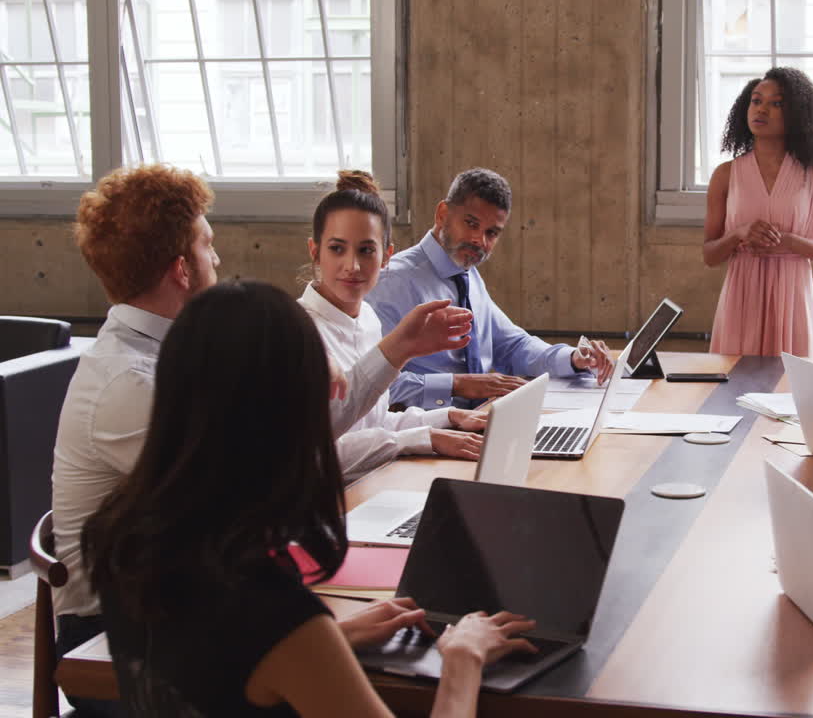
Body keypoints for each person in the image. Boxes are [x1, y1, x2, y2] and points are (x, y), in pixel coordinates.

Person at [51, 165, 477, 709]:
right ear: (182, 269)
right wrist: (460, 659)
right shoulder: (133, 385)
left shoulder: (167, 360)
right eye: (209, 244)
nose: (219, 258)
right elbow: (256, 483)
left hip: (183, 629)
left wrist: (323, 644)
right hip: (118, 641)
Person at [81, 282, 537, 717]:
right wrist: (463, 658)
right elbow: (261, 643)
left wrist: (331, 641)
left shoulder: (119, 538)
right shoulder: (275, 613)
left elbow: (217, 670)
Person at [366, 167, 614, 409]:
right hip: (427, 432)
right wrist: (457, 385)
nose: (479, 241)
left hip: (480, 420)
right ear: (442, 214)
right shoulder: (392, 282)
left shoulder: (467, 275)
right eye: (471, 224)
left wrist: (572, 359)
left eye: (492, 233)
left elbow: (512, 345)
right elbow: (374, 386)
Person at [300, 170, 491, 462]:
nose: (352, 265)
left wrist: (448, 417)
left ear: (386, 256)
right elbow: (314, 452)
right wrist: (422, 438)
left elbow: (374, 424)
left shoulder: (367, 318)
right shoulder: (296, 331)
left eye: (366, 250)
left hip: (375, 485)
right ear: (315, 252)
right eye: (337, 249)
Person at [702, 66, 813, 357]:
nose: (762, 109)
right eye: (756, 101)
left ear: (796, 113)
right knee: (731, 393)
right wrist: (738, 234)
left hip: (792, 297)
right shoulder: (725, 174)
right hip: (740, 299)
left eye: (776, 103)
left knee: (790, 392)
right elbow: (710, 255)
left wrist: (789, 242)